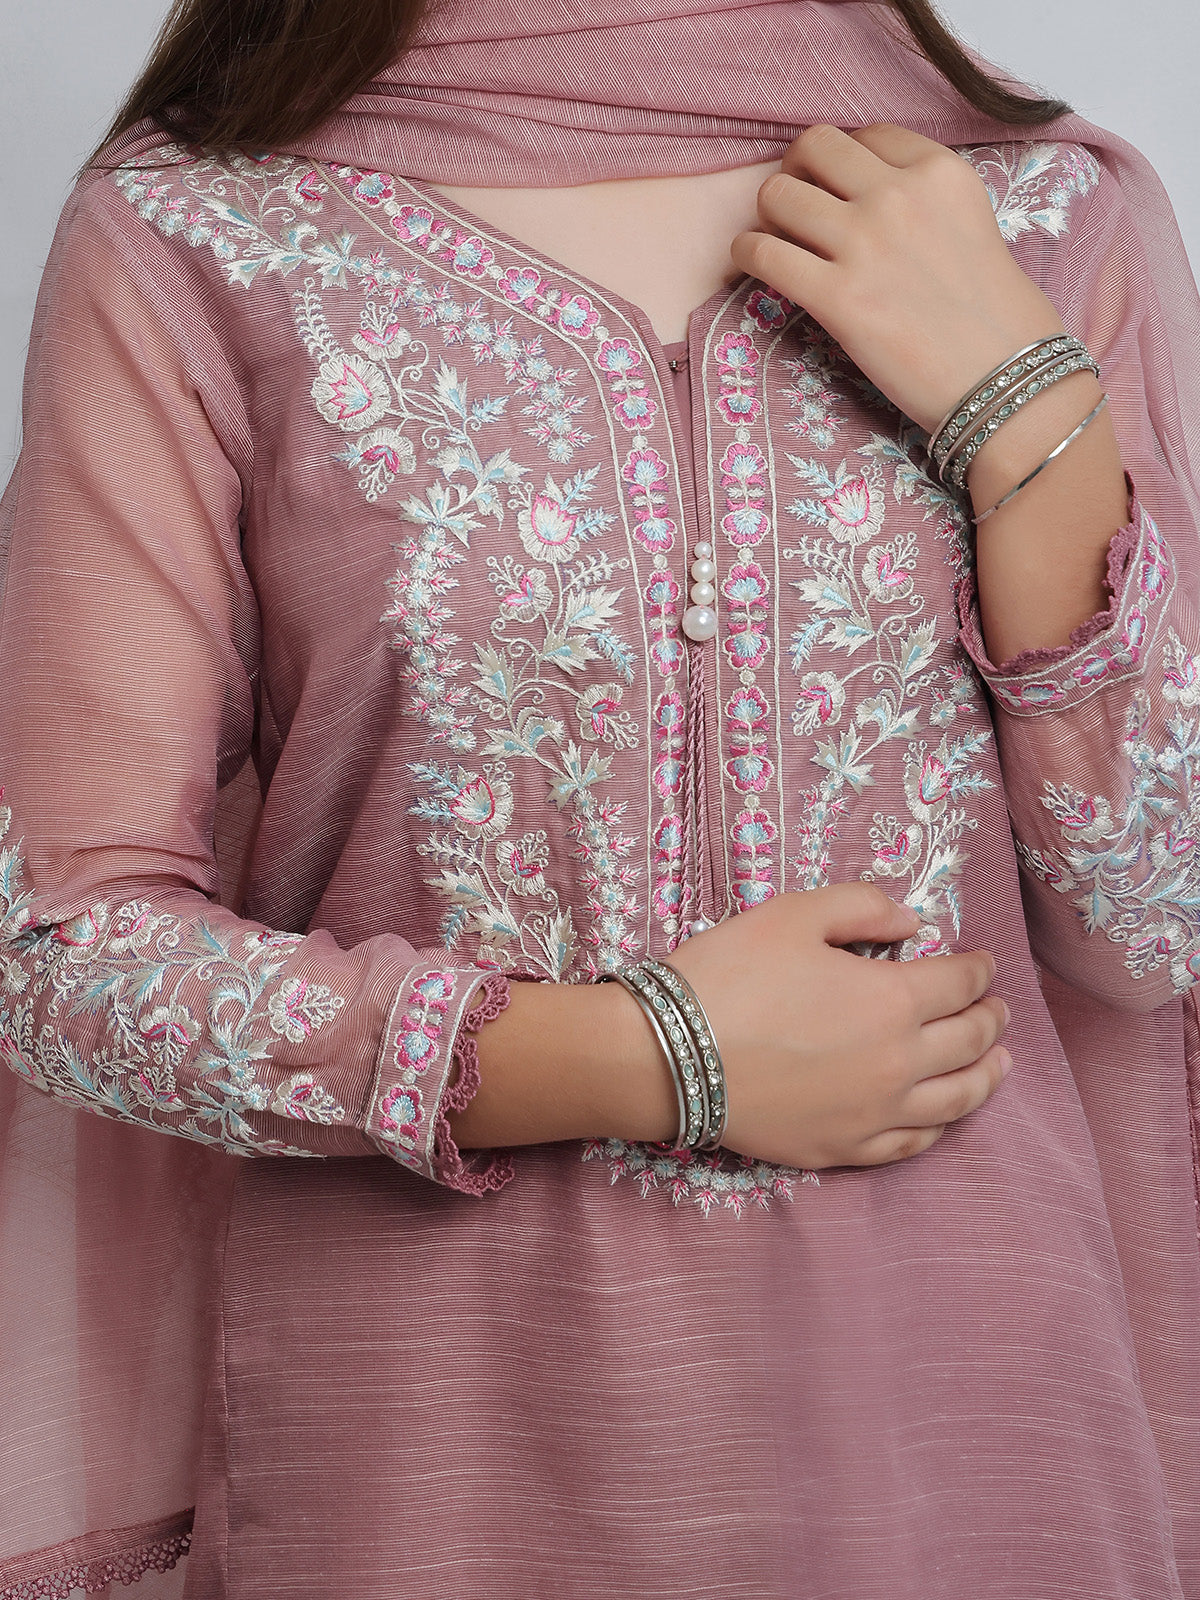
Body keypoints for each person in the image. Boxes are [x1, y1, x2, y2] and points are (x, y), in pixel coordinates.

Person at [2, 0, 1200, 1594]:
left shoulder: (1031, 209)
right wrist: (643, 1056)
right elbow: (62, 953)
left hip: (972, 1448)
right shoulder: (200, 227)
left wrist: (1030, 415)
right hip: (438, 1457)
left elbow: (1151, 929)